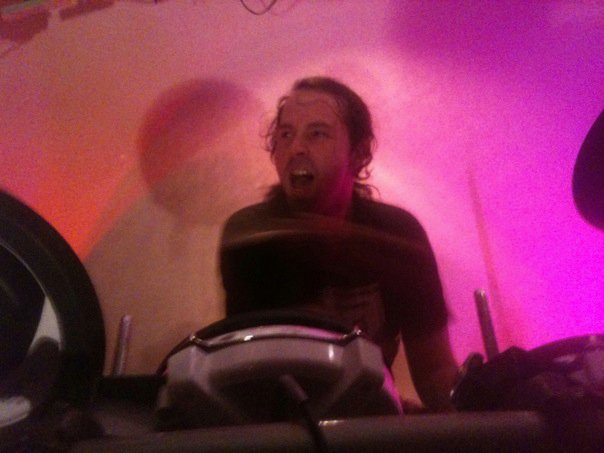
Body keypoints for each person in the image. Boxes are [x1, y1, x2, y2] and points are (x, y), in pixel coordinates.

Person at [219, 76, 458, 411]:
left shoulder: (398, 235)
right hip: (285, 428)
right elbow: (250, 378)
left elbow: (434, 372)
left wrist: (471, 413)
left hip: (375, 421)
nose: (296, 148)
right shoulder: (251, 237)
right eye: (285, 135)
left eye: (316, 134)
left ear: (358, 154)